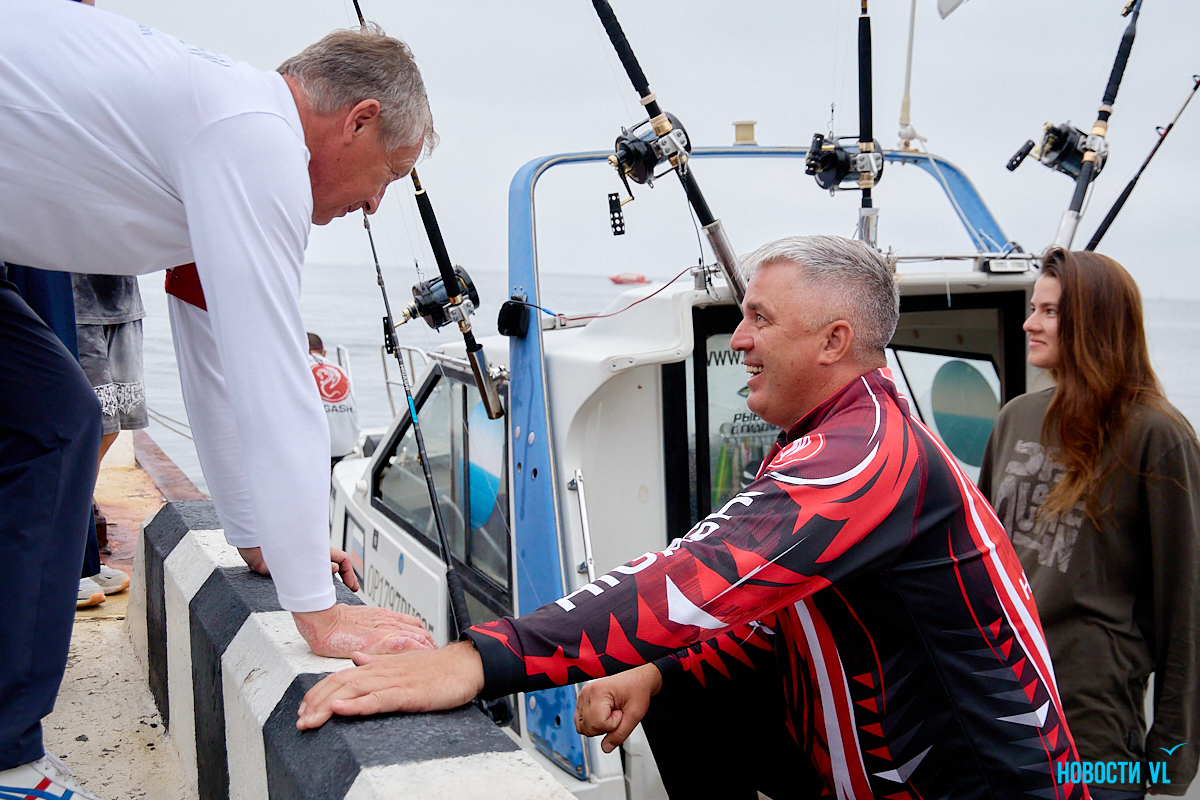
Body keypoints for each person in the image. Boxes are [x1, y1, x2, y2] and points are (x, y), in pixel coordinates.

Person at [297, 235, 1090, 799]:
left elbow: (699, 577)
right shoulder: (835, 438)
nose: (738, 339)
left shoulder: (863, 456)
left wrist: (476, 662)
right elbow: (769, 614)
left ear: (834, 341)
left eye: (760, 319)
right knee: (676, 679)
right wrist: (651, 672)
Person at [0, 4, 436, 795]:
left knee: (55, 420)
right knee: (52, 425)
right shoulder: (256, 137)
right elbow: (274, 380)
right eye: (390, 174)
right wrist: (318, 611)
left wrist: (260, 539)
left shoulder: (227, 126)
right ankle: (7, 762)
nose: (376, 205)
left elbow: (212, 355)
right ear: (360, 120)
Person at [978, 248, 1200, 799]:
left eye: (1049, 311)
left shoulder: (1158, 436)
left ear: (1094, 322)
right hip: (996, 714)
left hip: (1092, 738)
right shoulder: (1015, 418)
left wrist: (1170, 758)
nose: (1029, 323)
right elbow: (980, 566)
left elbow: (1186, 608)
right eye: (1033, 308)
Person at [74, 272, 148, 605]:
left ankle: (85, 561)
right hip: (77, 302)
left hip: (122, 298)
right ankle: (70, 565)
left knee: (110, 430)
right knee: (86, 434)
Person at [307, 332, 360, 467]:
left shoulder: (301, 368)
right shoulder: (338, 368)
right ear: (324, 353)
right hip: (348, 445)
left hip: (319, 451)